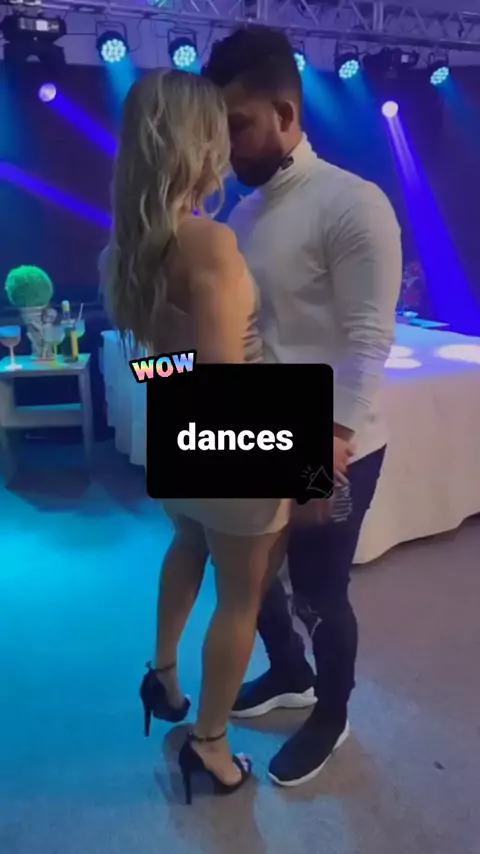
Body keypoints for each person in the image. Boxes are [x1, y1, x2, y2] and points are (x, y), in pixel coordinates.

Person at [203, 27, 403, 787]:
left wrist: (331, 443)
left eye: (238, 125)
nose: (226, 147)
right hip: (262, 429)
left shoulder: (352, 202)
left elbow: (370, 337)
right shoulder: (242, 216)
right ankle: (289, 671)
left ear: (286, 112)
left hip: (331, 436)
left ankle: (332, 711)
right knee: (247, 580)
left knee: (320, 590)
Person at [106, 69, 291, 802]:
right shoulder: (208, 242)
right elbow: (225, 384)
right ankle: (210, 746)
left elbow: (157, 368)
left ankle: (163, 676)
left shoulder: (125, 250)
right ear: (196, 143)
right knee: (242, 597)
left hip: (175, 430)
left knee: (186, 545)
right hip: (232, 440)